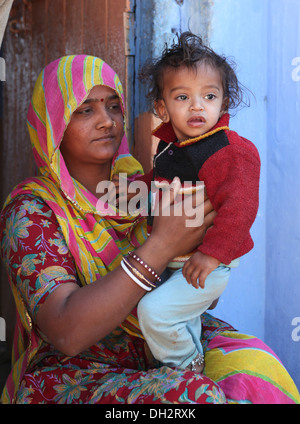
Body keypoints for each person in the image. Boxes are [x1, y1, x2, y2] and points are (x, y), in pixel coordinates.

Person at [0, 55, 299, 404]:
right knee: (190, 397)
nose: (107, 121)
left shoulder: (143, 188)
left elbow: (206, 292)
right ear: (54, 123)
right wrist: (162, 246)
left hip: (165, 338)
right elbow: (65, 332)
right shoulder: (33, 210)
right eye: (85, 110)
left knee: (256, 367)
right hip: (80, 366)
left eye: (114, 106)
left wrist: (197, 252)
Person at [136, 32, 260, 373]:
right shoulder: (172, 147)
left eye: (209, 96)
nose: (196, 106)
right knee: (176, 319)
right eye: (182, 97)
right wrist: (124, 193)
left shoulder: (229, 151)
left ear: (223, 103)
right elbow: (157, 183)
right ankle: (184, 368)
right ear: (162, 108)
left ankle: (186, 370)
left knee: (154, 312)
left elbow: (241, 208)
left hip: (208, 262)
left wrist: (211, 254)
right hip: (177, 259)